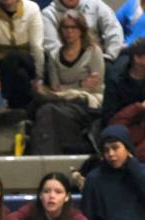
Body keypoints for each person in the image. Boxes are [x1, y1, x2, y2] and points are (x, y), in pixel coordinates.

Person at [28, 9, 103, 155]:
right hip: (62, 101)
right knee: (45, 109)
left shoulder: (93, 52)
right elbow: (57, 90)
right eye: (65, 28)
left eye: (73, 27)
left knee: (48, 110)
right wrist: (80, 85)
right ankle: (43, 157)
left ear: (81, 30)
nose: (69, 32)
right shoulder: (55, 56)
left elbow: (96, 87)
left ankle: (46, 155)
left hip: (87, 102)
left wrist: (69, 89)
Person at [0, 0, 45, 111]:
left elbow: (37, 46)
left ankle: (4, 97)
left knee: (14, 56)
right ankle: (22, 112)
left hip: (28, 61)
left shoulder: (32, 8)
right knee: (21, 75)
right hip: (2, 64)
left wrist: (40, 76)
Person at [101, 37, 145, 126]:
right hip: (124, 127)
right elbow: (108, 117)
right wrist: (139, 108)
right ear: (137, 58)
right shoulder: (115, 80)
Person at [41, 0, 124, 64]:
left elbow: (114, 32)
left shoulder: (97, 5)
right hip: (65, 65)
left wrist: (109, 56)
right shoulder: (48, 14)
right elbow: (52, 48)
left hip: (100, 59)